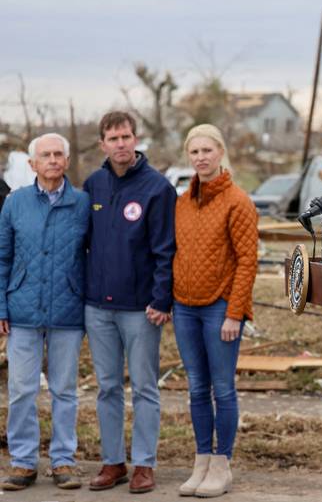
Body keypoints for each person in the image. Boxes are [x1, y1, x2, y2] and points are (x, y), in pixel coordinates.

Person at [83, 111, 177, 494]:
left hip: (141, 309)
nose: (121, 144)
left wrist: (161, 298)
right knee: (107, 387)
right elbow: (82, 243)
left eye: (126, 137)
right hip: (97, 308)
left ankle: (144, 464)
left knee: (144, 388)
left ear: (136, 140)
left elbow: (165, 249)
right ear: (103, 143)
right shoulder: (93, 185)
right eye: (113, 138)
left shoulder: (157, 188)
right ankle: (113, 462)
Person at [172, 124, 258, 498]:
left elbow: (247, 261)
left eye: (208, 150)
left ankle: (222, 464)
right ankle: (202, 459)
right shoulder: (183, 201)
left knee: (222, 389)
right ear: (188, 157)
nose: (201, 157)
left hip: (220, 308)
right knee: (195, 388)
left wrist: (234, 313)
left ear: (220, 153)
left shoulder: (238, 201)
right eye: (195, 152)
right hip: (184, 308)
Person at [0, 133, 90, 491]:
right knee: (21, 389)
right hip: (22, 310)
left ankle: (63, 460)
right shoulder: (15, 203)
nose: (52, 160)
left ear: (66, 162)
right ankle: (23, 462)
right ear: (32, 164)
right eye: (45, 155)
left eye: (58, 154)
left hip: (68, 311)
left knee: (64, 389)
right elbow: (3, 257)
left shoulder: (83, 203)